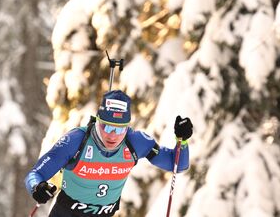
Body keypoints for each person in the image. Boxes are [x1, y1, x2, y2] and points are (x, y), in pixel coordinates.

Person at [24, 89, 193, 217]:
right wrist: (37, 187)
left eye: (120, 129)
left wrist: (182, 141)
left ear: (128, 127)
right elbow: (35, 174)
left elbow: (177, 164)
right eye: (107, 126)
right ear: (97, 121)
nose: (112, 135)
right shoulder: (76, 140)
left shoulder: (136, 142)